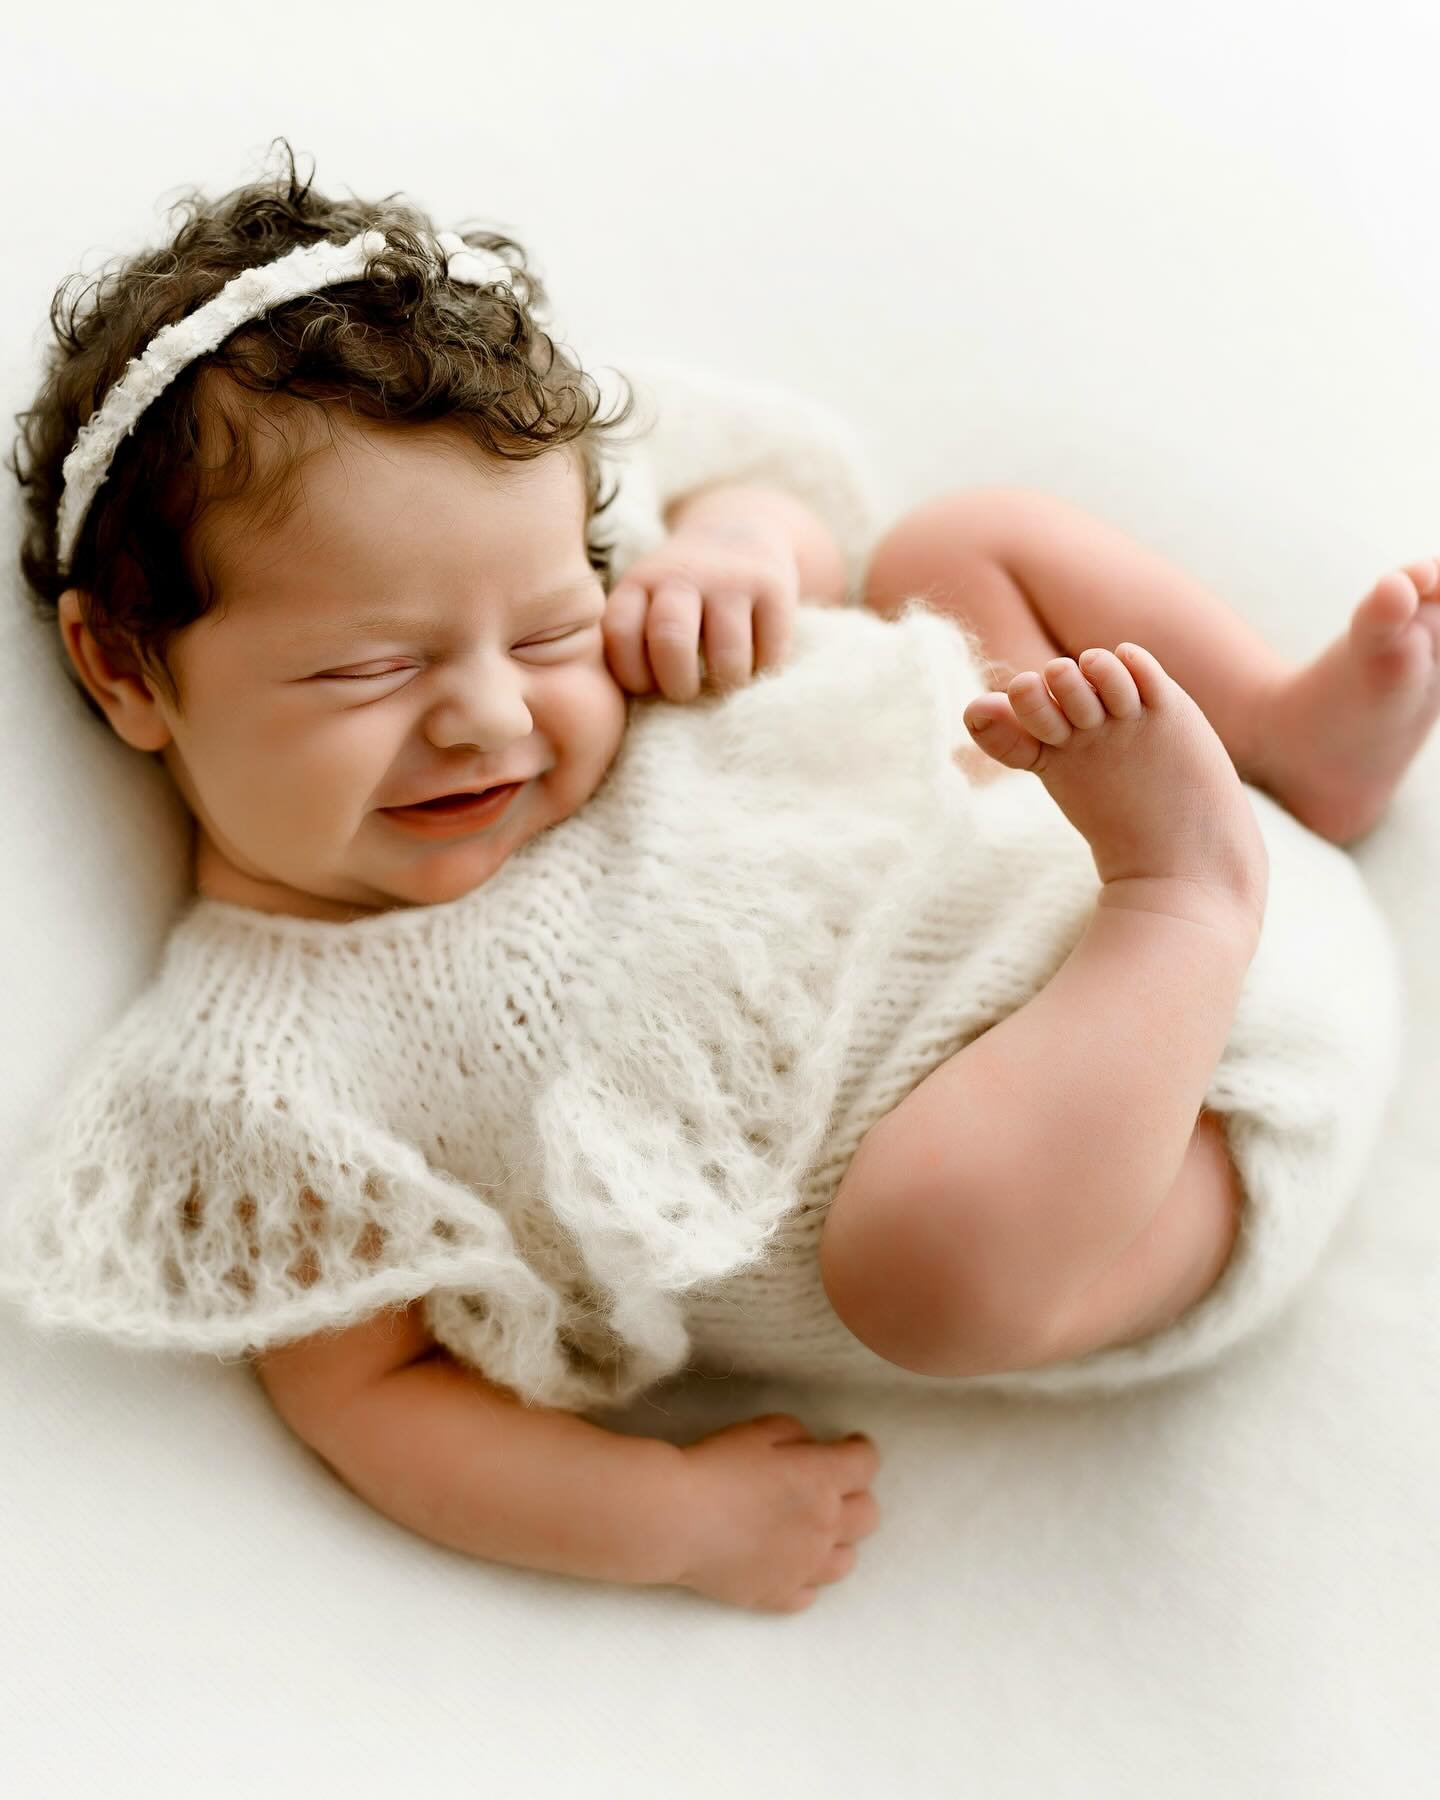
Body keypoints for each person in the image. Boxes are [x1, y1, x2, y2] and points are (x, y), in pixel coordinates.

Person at [0, 150, 1417, 1616]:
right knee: (926, 1260)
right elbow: (372, 1398)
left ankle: (1280, 733)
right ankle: (1186, 896)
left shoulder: (640, 629)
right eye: (374, 669)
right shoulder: (261, 1077)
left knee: (953, 548)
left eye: (549, 629)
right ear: (123, 666)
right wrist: (666, 1517)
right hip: (1161, 1153)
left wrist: (744, 548)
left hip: (1058, 822)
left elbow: (796, 515)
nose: (493, 713)